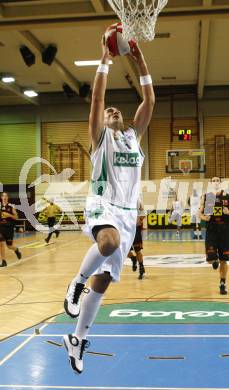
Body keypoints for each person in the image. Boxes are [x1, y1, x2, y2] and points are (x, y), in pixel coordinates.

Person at [63, 36, 154, 373]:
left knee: (102, 281)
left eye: (117, 110)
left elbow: (149, 99)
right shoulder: (100, 139)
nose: (112, 110)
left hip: (128, 215)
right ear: (101, 121)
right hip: (102, 204)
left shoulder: (134, 137)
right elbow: (98, 97)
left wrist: (139, 57)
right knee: (108, 242)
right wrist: (105, 58)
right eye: (108, 111)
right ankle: (75, 282)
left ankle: (77, 338)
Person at [199, 177, 229, 295]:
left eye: (218, 180)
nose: (216, 182)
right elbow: (199, 213)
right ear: (211, 183)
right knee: (211, 259)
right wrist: (203, 217)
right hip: (212, 230)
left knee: (224, 260)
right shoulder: (207, 196)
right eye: (214, 180)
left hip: (225, 231)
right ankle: (214, 259)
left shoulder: (226, 196)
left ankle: (222, 283)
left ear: (220, 183)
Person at [0, 192, 21, 267]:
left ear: (8, 197)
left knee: (9, 246)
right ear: (1, 197)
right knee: (1, 244)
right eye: (3, 196)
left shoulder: (11, 206)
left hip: (9, 228)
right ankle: (3, 261)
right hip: (1, 228)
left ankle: (16, 250)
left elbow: (16, 217)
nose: (4, 197)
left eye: (6, 196)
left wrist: (8, 215)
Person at [128, 199, 146, 279]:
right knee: (123, 251)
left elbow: (143, 213)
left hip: (135, 229)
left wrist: (140, 219)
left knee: (137, 250)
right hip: (124, 229)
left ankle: (141, 267)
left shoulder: (136, 201)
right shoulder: (120, 200)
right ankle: (133, 258)